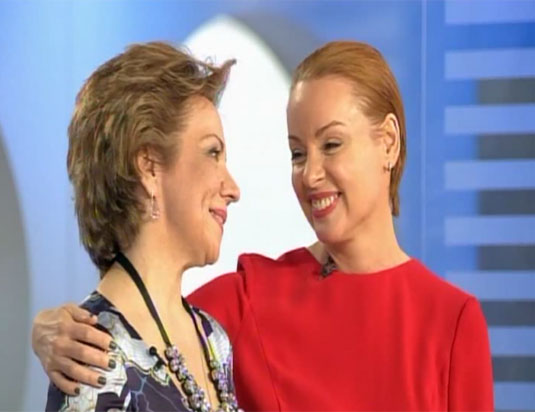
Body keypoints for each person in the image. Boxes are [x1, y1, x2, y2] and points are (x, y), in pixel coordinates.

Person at [33, 41, 494, 411]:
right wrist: (48, 330)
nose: (310, 174)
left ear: (388, 142)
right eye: (297, 153)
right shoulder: (248, 300)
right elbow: (134, 322)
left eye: (332, 144)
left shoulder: (452, 321)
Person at [42, 42, 242, 412]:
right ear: (149, 167)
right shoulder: (91, 354)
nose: (233, 189)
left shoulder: (214, 341)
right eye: (212, 153)